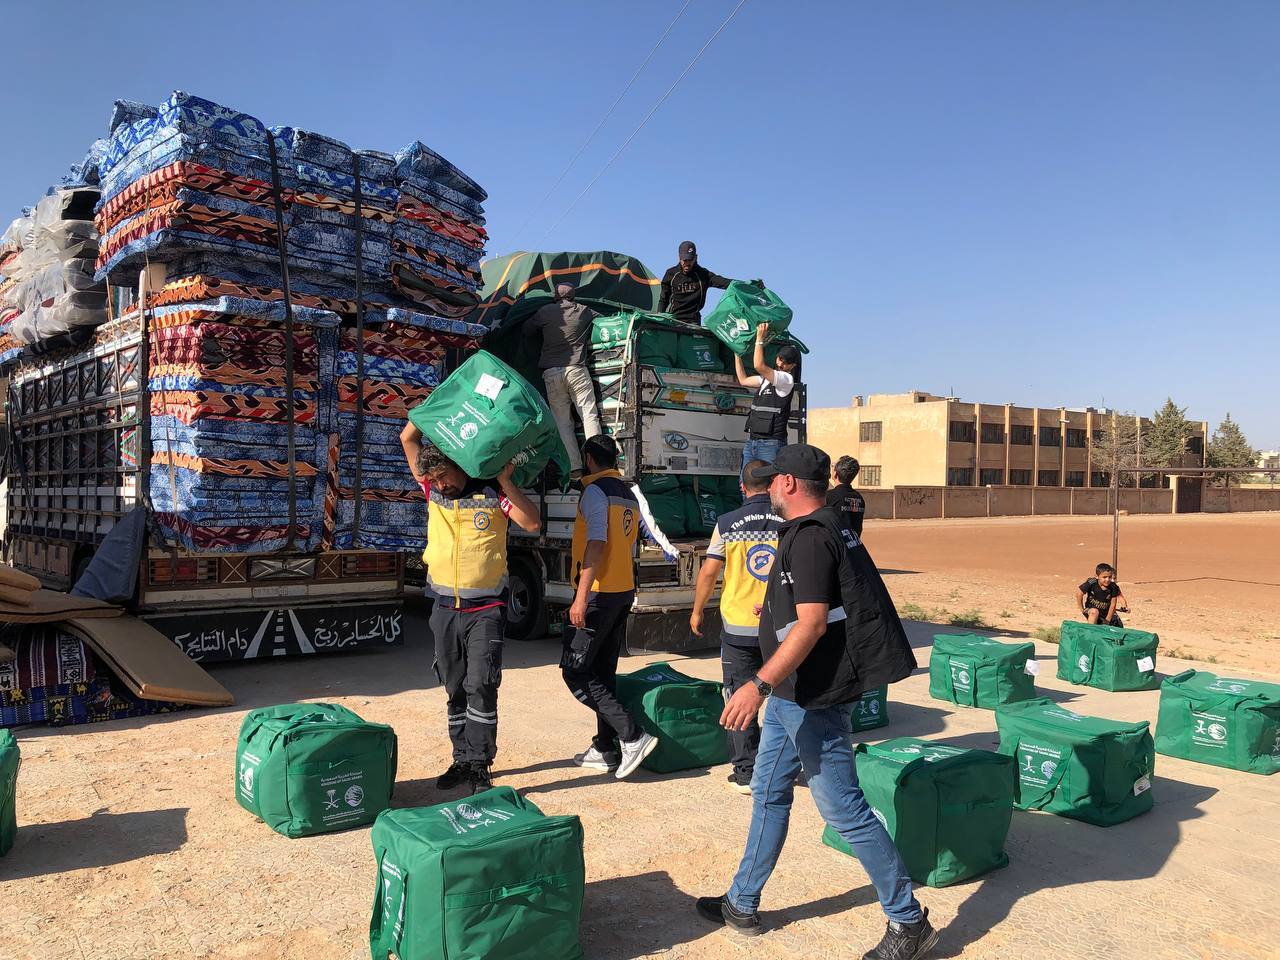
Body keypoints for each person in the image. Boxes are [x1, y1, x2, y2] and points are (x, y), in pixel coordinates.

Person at [697, 444, 937, 960]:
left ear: (787, 483)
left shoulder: (809, 537)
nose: (768, 488)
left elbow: (810, 625)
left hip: (813, 695)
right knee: (767, 791)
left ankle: (908, 920)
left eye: (772, 480)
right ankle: (742, 900)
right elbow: (824, 605)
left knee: (843, 809)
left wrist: (757, 684)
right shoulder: (830, 525)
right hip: (795, 692)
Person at [399, 422, 541, 795]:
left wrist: (506, 481)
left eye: (443, 476)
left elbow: (532, 522)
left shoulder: (493, 493)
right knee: (454, 686)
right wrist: (437, 406)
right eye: (433, 479)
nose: (439, 484)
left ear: (459, 464)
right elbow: (408, 438)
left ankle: (479, 763)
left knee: (481, 684)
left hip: (486, 609)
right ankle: (461, 759)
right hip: (444, 607)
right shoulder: (432, 490)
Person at [563, 434, 659, 779]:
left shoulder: (595, 491)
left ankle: (631, 735)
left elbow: (597, 543)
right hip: (621, 592)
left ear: (589, 459)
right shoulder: (627, 493)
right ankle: (605, 747)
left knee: (575, 671)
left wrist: (581, 596)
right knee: (602, 673)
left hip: (598, 595)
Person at [690, 461, 783, 795]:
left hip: (739, 627)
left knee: (738, 696)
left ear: (742, 488)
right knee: (786, 698)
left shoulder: (726, 523)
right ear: (773, 485)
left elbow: (709, 572)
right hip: (781, 627)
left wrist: (697, 611)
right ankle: (784, 766)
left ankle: (746, 773)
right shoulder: (789, 520)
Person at [524, 282, 603, 480]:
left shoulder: (545, 311)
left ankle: (575, 469)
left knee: (562, 423)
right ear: (573, 296)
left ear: (555, 297)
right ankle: (598, 465)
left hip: (552, 373)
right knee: (588, 415)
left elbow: (527, 330)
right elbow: (604, 321)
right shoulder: (583, 310)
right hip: (577, 370)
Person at [734, 323, 801, 468]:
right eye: (780, 359)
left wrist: (760, 338)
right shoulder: (766, 379)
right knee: (746, 480)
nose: (781, 364)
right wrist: (737, 354)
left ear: (793, 366)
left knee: (768, 480)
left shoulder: (786, 379)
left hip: (771, 443)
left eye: (786, 362)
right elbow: (743, 380)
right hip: (752, 441)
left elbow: (759, 366)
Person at [658, 240, 758, 323]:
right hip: (674, 320)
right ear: (679, 258)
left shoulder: (703, 275)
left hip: (693, 322)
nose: (687, 263)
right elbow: (663, 298)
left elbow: (726, 283)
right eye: (684, 260)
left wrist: (749, 285)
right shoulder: (671, 274)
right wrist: (658, 318)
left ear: (696, 258)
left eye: (690, 260)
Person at [1077, 562, 1129, 627]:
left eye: (1109, 577)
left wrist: (1107, 620)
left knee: (1119, 626)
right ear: (1097, 576)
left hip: (1106, 612)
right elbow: (1079, 593)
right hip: (1091, 610)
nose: (1107, 579)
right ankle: (1091, 631)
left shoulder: (1113, 587)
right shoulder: (1091, 582)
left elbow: (1113, 604)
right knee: (1094, 612)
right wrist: (1082, 609)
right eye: (1104, 577)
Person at [827, 455, 867, 540]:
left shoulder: (829, 496)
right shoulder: (859, 498)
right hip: (853, 544)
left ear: (835, 474)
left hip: (836, 545)